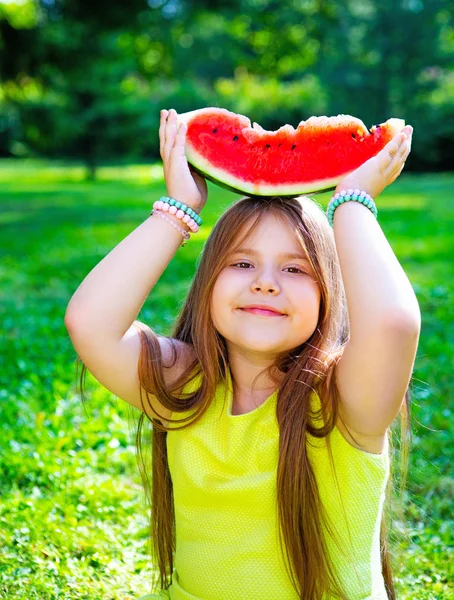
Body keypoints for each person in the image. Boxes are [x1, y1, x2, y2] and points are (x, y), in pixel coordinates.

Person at [64, 109, 421, 600]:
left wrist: (352, 203)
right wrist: (176, 209)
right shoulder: (185, 387)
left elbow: (394, 324)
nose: (265, 282)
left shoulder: (344, 401)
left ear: (327, 295)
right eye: (242, 262)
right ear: (208, 282)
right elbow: (90, 323)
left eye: (295, 270)